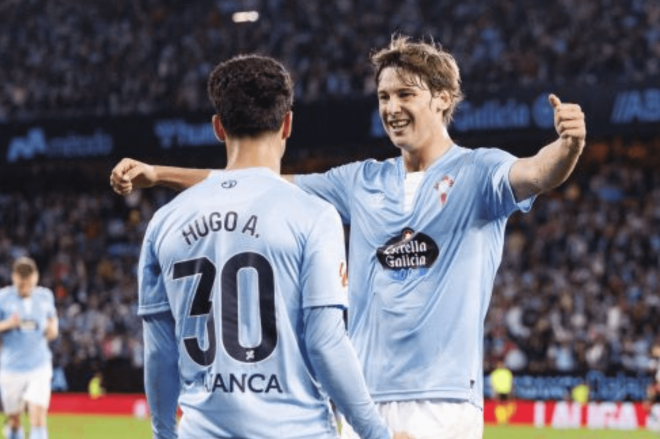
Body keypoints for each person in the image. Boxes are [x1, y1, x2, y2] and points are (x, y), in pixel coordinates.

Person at [111, 35, 586, 438]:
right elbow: (257, 181)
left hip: (442, 402)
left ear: (443, 98)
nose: (392, 108)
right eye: (383, 97)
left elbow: (536, 174)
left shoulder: (480, 171)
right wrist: (159, 173)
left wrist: (568, 146)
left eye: (406, 94)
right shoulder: (360, 180)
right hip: (359, 400)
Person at [134, 54, 412, 439]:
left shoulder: (165, 222)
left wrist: (164, 433)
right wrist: (377, 435)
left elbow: (159, 352)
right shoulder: (314, 215)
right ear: (287, 124)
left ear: (218, 127)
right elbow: (325, 342)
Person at [0, 257, 59, 439]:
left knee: (38, 418)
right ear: (14, 278)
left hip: (39, 366)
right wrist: (8, 324)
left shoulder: (45, 296)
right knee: (14, 421)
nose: (23, 287)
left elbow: (53, 327)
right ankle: (13, 432)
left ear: (35, 278)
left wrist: (51, 330)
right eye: (20, 283)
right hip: (11, 368)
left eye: (27, 283)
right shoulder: (3, 297)